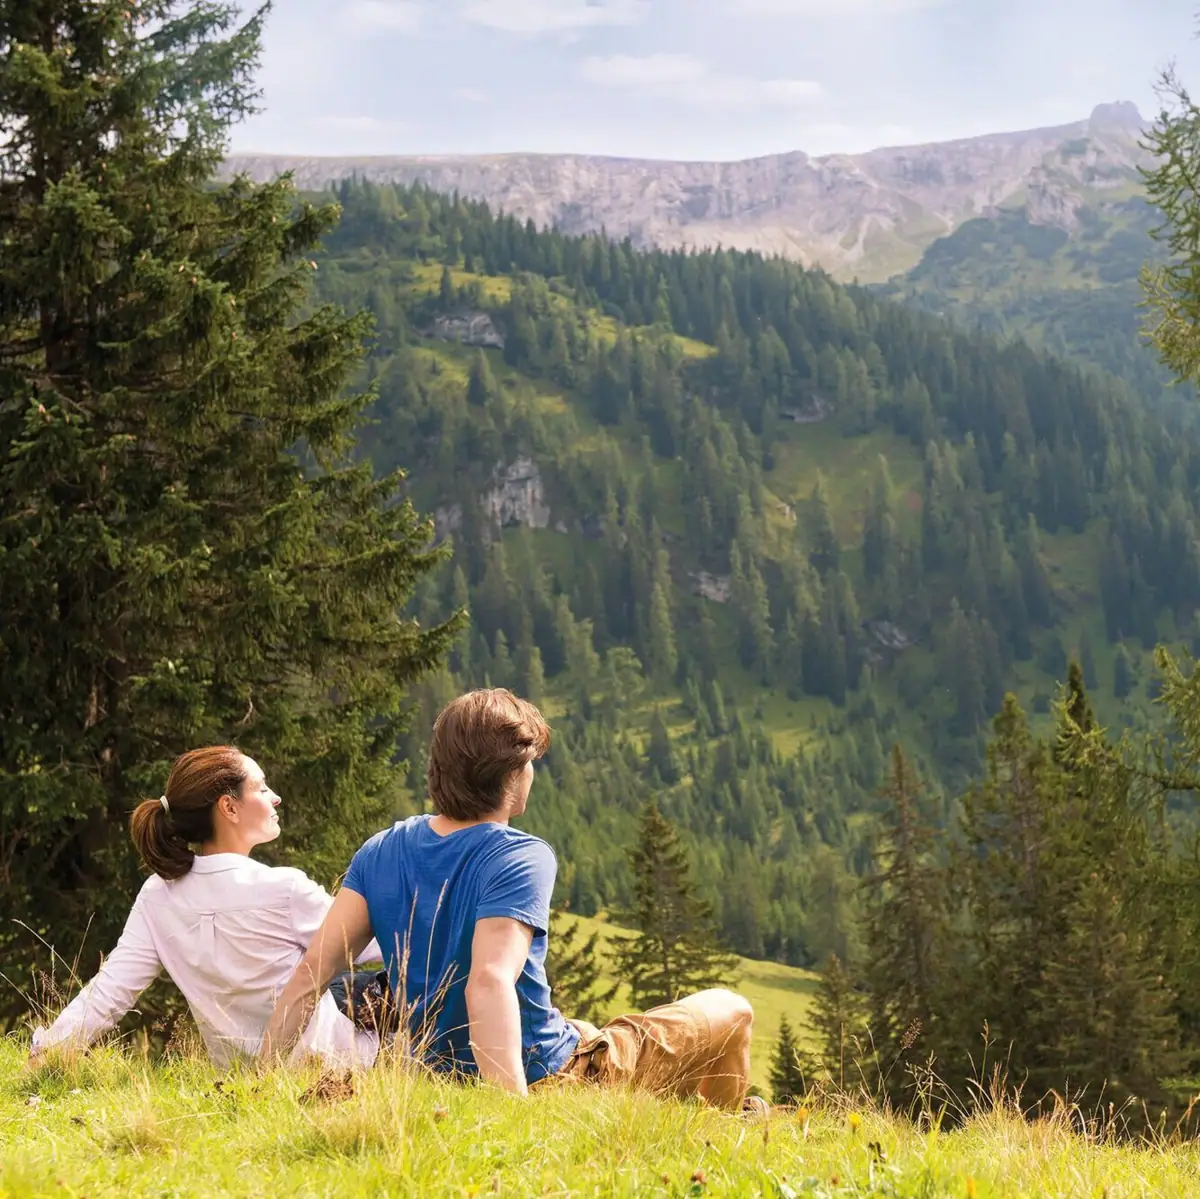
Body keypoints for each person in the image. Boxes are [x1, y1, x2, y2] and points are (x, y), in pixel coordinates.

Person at [259, 689, 757, 1110]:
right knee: (731, 1010)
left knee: (582, 1026)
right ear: (513, 774)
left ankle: (695, 1124)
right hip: (550, 1080)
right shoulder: (520, 856)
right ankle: (724, 1132)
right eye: (531, 765)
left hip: (442, 1081)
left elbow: (309, 977)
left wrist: (259, 1086)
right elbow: (489, 982)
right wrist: (513, 1119)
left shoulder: (382, 849)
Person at [29, 746, 379, 1070]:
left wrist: (49, 1051)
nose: (275, 798)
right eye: (261, 788)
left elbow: (111, 991)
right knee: (383, 983)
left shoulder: (158, 895)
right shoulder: (284, 888)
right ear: (229, 807)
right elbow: (382, 946)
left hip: (235, 1075)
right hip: (334, 1065)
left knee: (344, 983)